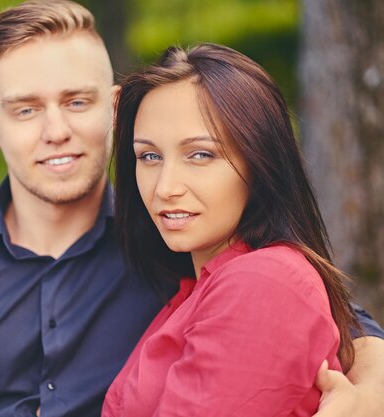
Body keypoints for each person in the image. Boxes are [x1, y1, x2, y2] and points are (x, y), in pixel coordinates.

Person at [0, 2, 384, 417]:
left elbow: (326, 320)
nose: (55, 131)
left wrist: (374, 387)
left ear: (115, 111)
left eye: (76, 102)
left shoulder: (176, 236)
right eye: (25, 109)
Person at [102, 42, 382, 417]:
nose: (165, 187)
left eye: (200, 154)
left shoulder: (263, 280)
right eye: (149, 156)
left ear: (259, 163)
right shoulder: (195, 285)